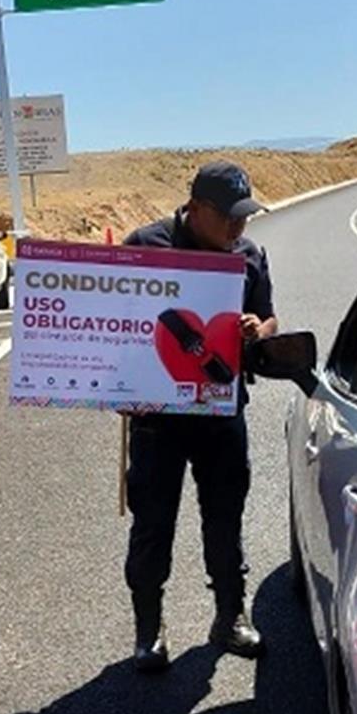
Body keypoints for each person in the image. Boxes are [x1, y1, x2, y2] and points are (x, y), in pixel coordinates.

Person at [121, 161, 279, 672]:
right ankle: (149, 628)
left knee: (225, 521)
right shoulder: (146, 246)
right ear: (196, 209)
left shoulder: (249, 255)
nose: (239, 228)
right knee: (152, 525)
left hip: (221, 413)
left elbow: (270, 315)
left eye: (245, 217)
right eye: (230, 218)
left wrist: (260, 329)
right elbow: (113, 325)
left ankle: (230, 616)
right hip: (156, 420)